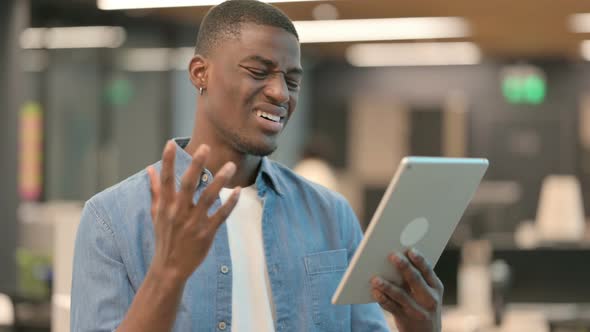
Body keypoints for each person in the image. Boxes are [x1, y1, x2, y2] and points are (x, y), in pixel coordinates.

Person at [70, 1, 444, 331]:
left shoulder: (331, 215)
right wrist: (167, 277)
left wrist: (421, 330)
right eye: (258, 72)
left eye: (292, 80)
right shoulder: (113, 220)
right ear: (201, 73)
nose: (280, 93)